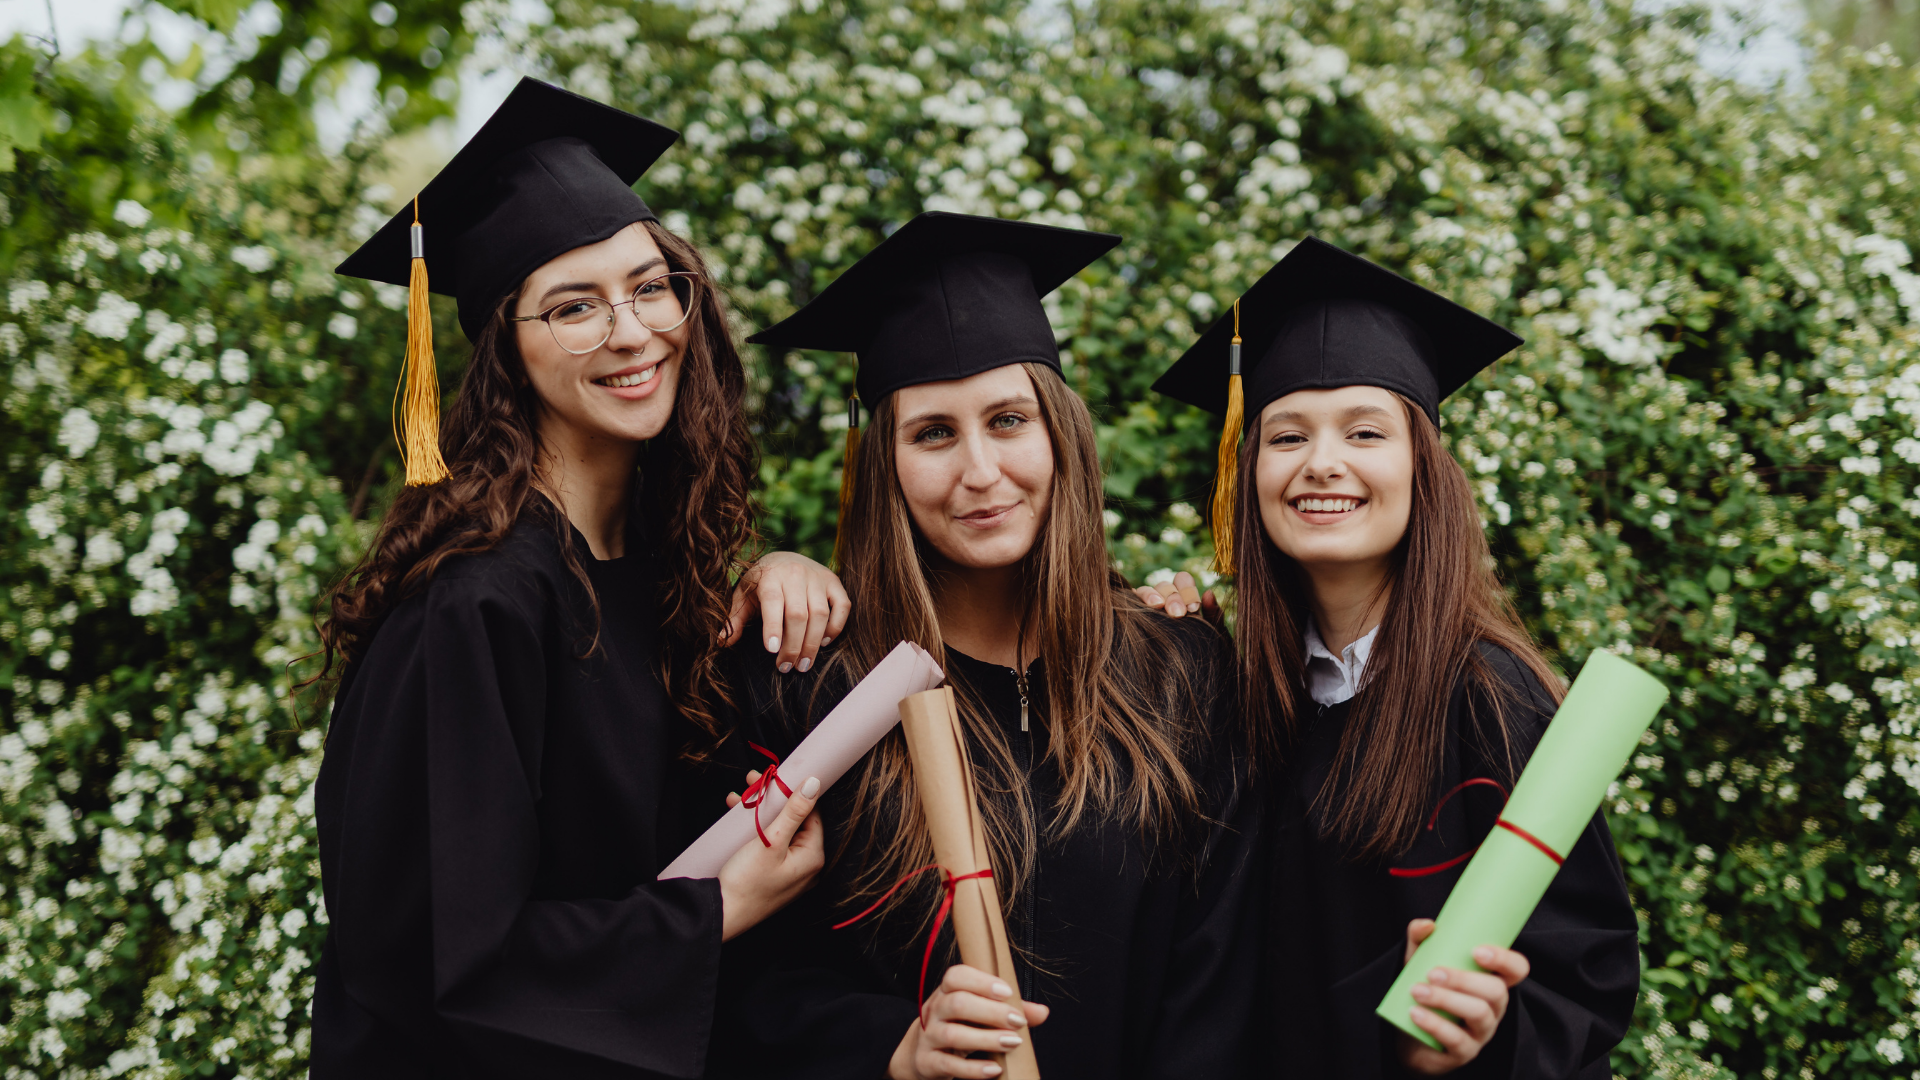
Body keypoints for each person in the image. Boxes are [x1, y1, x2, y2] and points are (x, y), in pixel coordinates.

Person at [311, 79, 847, 1077]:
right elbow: (436, 962)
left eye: (652, 286)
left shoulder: (656, 573)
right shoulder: (475, 603)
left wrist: (779, 567)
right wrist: (715, 909)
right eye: (573, 307)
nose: (635, 331)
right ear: (504, 352)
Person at [705, 212, 1262, 1080]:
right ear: (883, 462)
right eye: (932, 433)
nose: (979, 470)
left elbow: (1224, 968)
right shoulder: (811, 692)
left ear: (1061, 434)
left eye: (1008, 420)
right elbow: (742, 978)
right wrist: (890, 1049)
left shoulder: (1182, 674)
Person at [1151, 237, 1640, 1078]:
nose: (1322, 464)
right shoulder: (1235, 695)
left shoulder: (1493, 699)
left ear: (1423, 465)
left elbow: (1583, 976)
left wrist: (1477, 1041)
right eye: (1286, 436)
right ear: (1250, 468)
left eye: (1365, 432)